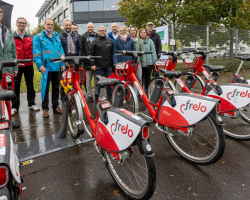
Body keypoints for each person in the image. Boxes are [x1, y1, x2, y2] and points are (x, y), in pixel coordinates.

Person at [33, 18, 65, 118]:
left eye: (51, 24)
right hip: (46, 68)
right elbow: (36, 53)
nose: (50, 26)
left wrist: (63, 64)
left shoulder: (57, 36)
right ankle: (45, 109)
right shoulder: (38, 37)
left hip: (56, 67)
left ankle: (55, 106)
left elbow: (61, 51)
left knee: (56, 88)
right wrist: (39, 65)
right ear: (44, 25)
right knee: (45, 89)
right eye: (48, 24)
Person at [12, 17, 40, 116]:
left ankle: (31, 103)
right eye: (20, 22)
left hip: (28, 64)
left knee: (30, 85)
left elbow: (33, 50)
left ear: (25, 25)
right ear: (16, 24)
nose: (22, 24)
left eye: (23, 23)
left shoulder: (30, 36)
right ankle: (15, 106)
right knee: (16, 86)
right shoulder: (12, 37)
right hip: (17, 65)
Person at [0, 6, 20, 128]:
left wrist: (15, 67)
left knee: (7, 92)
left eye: (0, 12)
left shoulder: (7, 30)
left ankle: (9, 120)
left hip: (8, 67)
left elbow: (13, 51)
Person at [59, 20, 82, 100]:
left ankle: (75, 97)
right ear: (63, 26)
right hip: (64, 62)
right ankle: (64, 98)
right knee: (64, 81)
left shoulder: (76, 36)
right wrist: (63, 61)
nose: (68, 27)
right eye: (66, 25)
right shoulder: (60, 36)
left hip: (74, 61)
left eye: (69, 25)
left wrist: (78, 60)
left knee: (75, 80)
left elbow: (79, 48)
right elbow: (59, 49)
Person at [89, 26, 113, 99]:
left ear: (106, 31)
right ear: (98, 31)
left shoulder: (110, 41)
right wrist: (92, 64)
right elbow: (90, 54)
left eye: (103, 30)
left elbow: (113, 53)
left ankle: (110, 96)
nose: (102, 32)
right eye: (100, 30)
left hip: (109, 66)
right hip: (99, 66)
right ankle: (100, 97)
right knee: (100, 83)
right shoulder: (94, 42)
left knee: (109, 83)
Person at [81, 22, 98, 102]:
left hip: (96, 61)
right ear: (87, 28)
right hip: (87, 62)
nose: (90, 28)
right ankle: (89, 95)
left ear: (93, 27)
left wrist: (95, 62)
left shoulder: (97, 36)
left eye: (91, 27)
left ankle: (96, 93)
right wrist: (87, 60)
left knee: (96, 79)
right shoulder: (83, 36)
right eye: (89, 27)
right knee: (88, 80)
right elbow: (82, 49)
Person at [129, 26, 146, 100]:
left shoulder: (140, 41)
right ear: (129, 32)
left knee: (139, 78)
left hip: (138, 62)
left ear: (136, 32)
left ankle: (140, 94)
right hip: (129, 62)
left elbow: (143, 52)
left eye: (134, 30)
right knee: (130, 79)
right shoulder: (127, 40)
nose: (133, 32)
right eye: (131, 30)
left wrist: (143, 63)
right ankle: (131, 94)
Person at [139, 28, 157, 93]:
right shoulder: (138, 41)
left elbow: (153, 51)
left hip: (149, 63)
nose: (143, 34)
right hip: (141, 63)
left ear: (146, 33)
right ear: (139, 34)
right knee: (140, 78)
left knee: (148, 78)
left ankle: (148, 91)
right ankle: (141, 92)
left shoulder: (150, 41)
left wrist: (153, 61)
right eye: (141, 33)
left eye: (144, 33)